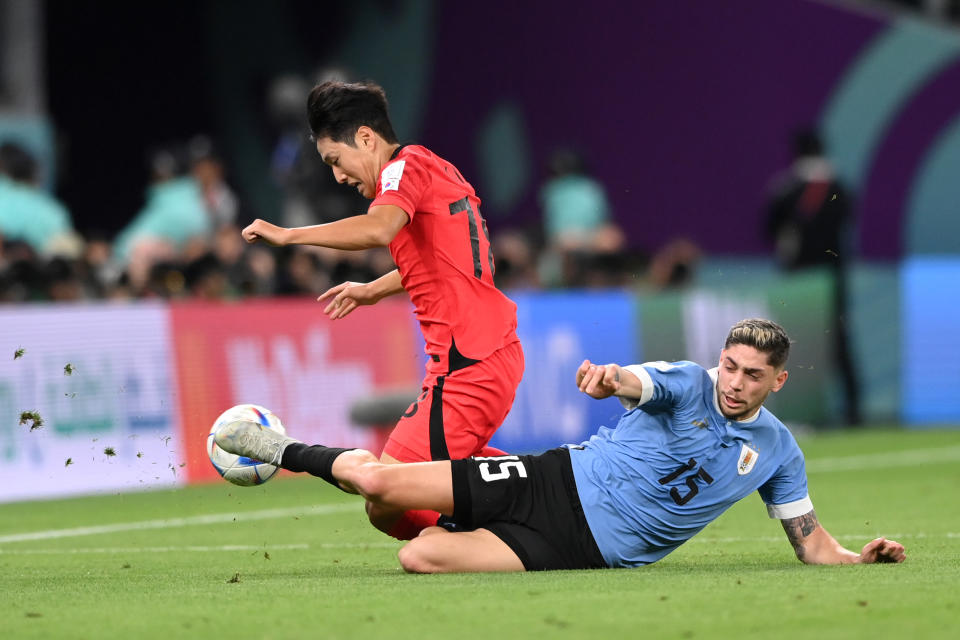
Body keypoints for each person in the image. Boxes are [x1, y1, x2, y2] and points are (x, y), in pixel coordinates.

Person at [215, 318, 905, 572]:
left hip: (580, 551)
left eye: (752, 376)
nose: (734, 383)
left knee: (417, 554)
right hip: (551, 482)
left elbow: (811, 545)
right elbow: (636, 380)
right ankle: (275, 446)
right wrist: (609, 380)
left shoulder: (780, 452)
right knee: (380, 487)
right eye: (730, 366)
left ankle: (464, 514)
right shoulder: (690, 383)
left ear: (776, 381)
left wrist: (859, 557)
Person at [240, 81, 525, 540]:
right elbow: (461, 264)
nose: (337, 177)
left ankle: (535, 503)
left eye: (335, 160)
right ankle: (527, 492)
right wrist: (374, 289)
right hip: (489, 356)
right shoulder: (437, 167)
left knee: (385, 503)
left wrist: (289, 235)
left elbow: (379, 227)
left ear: (367, 138)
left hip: (468, 366)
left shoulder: (403, 169)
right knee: (400, 495)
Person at [765, 129, 860, 426]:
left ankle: (799, 410)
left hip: (799, 282)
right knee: (839, 340)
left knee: (793, 342)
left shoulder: (786, 189)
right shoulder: (840, 187)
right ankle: (853, 409)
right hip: (832, 279)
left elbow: (768, 230)